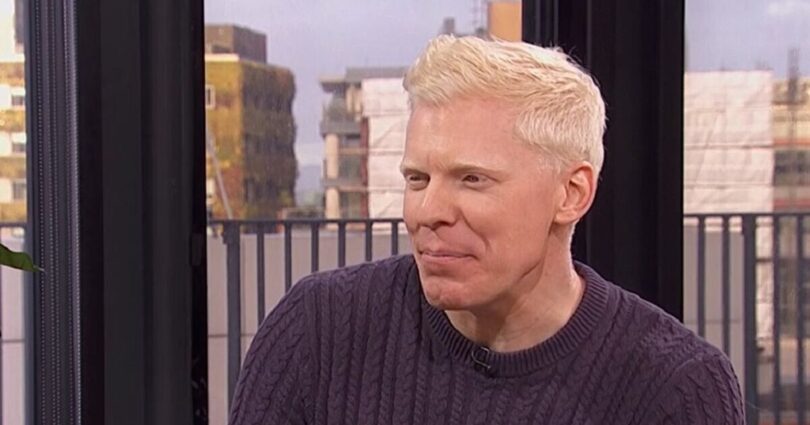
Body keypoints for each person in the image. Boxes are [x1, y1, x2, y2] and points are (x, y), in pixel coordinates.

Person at [229, 35, 744, 425]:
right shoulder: (318, 330)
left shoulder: (675, 389)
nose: (428, 211)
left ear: (571, 194)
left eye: (472, 179)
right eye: (417, 178)